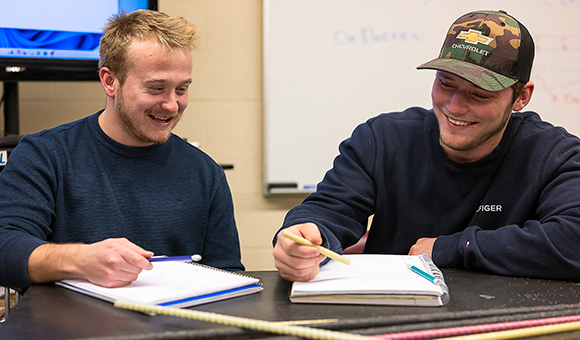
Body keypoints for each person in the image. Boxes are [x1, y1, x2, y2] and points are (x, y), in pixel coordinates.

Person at [273, 10, 580, 282]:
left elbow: (574, 241)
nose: (455, 107)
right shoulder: (383, 140)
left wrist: (451, 248)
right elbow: (329, 209)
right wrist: (305, 235)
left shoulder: (555, 156)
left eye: (480, 94)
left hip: (503, 324)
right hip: (395, 319)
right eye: (446, 84)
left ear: (521, 97)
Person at [0, 10, 244, 292]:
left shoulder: (205, 173)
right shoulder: (44, 156)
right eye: (156, 88)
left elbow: (228, 275)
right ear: (110, 81)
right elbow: (6, 246)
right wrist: (81, 259)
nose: (172, 105)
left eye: (182, 89)